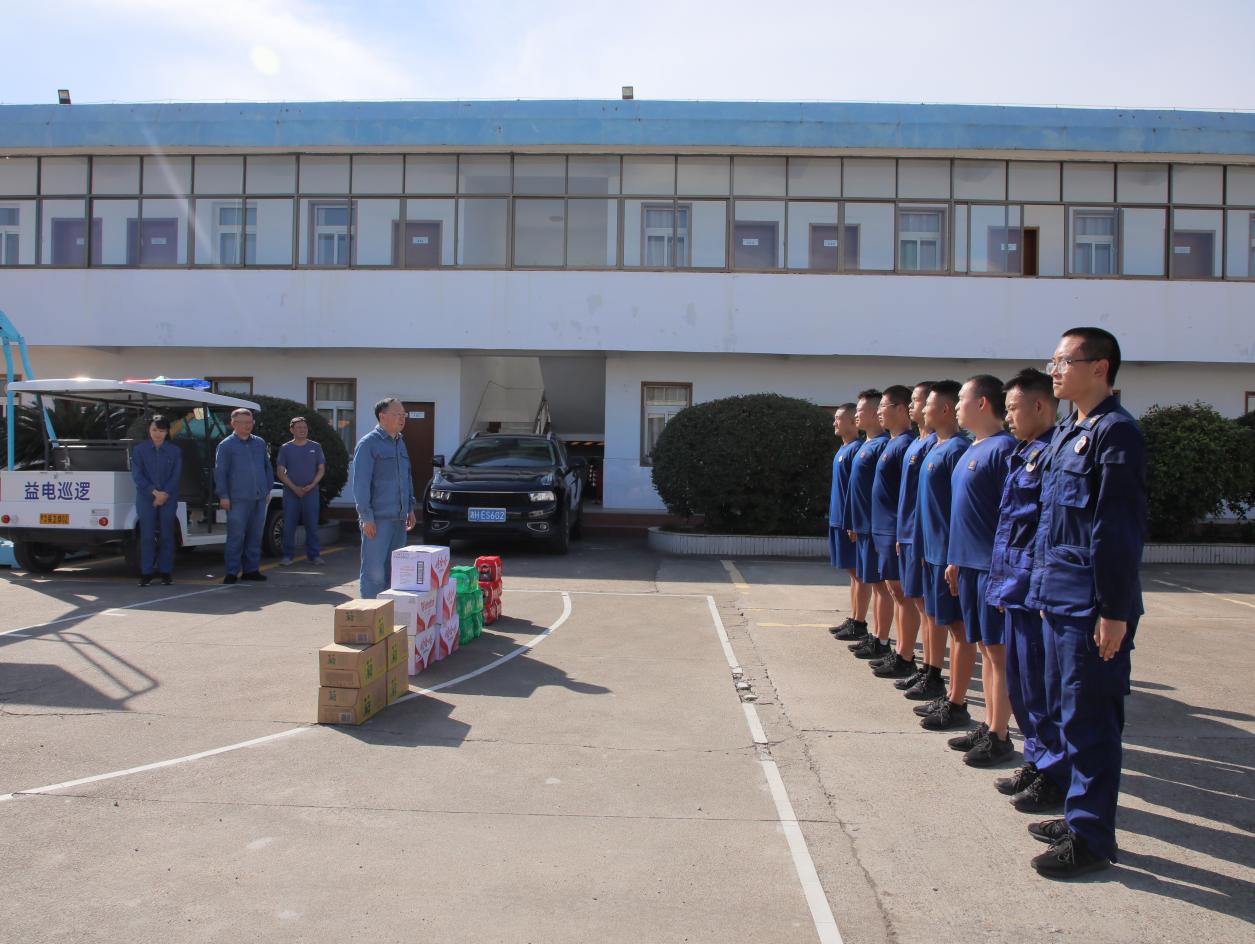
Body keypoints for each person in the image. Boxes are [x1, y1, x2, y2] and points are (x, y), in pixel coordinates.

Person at [1025, 327, 1146, 879]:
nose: (1054, 370)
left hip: (1092, 608)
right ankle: (1078, 815)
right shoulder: (1069, 431)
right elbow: (1051, 524)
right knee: (1064, 714)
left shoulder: (1116, 433)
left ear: (1099, 367)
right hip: (1058, 598)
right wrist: (1040, 591)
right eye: (1052, 361)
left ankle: (1092, 838)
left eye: (1063, 361)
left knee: (1091, 721)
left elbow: (1116, 530)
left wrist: (1114, 611)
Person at [986, 368, 1066, 813]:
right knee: (1022, 685)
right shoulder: (1024, 452)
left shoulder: (1055, 454)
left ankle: (1054, 775)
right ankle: (1036, 761)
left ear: (1039, 406)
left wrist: (1037, 591)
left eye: (1014, 408)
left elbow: (1049, 532)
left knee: (1042, 688)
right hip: (1014, 585)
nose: (1009, 417)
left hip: (1034, 591)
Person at [942, 375, 1016, 764]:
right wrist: (956, 559)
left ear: (983, 403)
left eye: (962, 398)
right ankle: (989, 725)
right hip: (968, 566)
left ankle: (1000, 735)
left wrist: (1005, 573)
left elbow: (1012, 517)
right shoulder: (974, 447)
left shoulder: (1004, 450)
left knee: (998, 652)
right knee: (987, 649)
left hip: (991, 569)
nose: (957, 405)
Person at [914, 381, 972, 729]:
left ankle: (956, 702)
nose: (922, 410)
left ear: (946, 409)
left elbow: (961, 510)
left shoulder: (957, 450)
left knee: (959, 628)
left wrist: (954, 555)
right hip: (932, 552)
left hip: (949, 555)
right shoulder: (935, 446)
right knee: (942, 621)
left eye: (928, 405)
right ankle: (943, 688)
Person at [894, 382, 944, 701]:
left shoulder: (936, 446)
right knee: (918, 602)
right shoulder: (920, 443)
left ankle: (932, 670)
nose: (915, 407)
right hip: (911, 534)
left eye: (918, 401)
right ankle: (924, 665)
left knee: (929, 607)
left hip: (923, 537)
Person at [868, 385, 919, 679]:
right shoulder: (893, 442)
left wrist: (900, 531)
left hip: (893, 529)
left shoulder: (905, 444)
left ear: (900, 409)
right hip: (883, 529)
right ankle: (898, 651)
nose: (878, 412)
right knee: (893, 591)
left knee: (902, 594)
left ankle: (905, 656)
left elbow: (907, 494)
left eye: (883, 407)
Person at [352, 396, 417, 599]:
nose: (402, 418)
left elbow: (406, 476)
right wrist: (366, 517)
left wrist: (410, 508)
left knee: (394, 573)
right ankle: (370, 612)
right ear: (382, 416)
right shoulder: (368, 444)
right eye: (397, 414)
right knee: (374, 574)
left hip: (399, 519)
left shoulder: (399, 442)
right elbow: (361, 484)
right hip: (378, 520)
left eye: (404, 415)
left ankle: (389, 613)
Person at [845, 390, 893, 661]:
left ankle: (881, 639)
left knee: (881, 586)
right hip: (863, 526)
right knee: (873, 583)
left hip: (874, 528)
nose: (856, 415)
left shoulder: (882, 445)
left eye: (860, 411)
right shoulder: (867, 444)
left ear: (875, 414)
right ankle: (874, 634)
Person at [214, 407, 273, 585]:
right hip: (237, 499)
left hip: (259, 498)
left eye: (250, 422)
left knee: (255, 535)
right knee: (236, 536)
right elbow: (220, 472)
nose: (248, 426)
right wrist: (223, 495)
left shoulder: (259, 443)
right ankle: (232, 572)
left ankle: (251, 570)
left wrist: (267, 489)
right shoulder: (226, 445)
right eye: (244, 423)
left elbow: (267, 466)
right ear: (233, 423)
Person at [828, 403, 868, 641]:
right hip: (838, 520)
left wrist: (853, 521)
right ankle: (854, 618)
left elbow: (857, 491)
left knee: (859, 572)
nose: (834, 422)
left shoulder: (856, 449)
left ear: (853, 421)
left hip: (849, 522)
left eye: (838, 418)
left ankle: (860, 622)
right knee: (852, 573)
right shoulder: (843, 449)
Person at [131, 413, 182, 587]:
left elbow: (176, 475)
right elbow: (137, 475)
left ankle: (165, 572)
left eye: (161, 431)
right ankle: (146, 573)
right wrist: (154, 492)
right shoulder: (139, 450)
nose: (157, 434)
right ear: (149, 430)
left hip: (169, 497)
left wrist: (164, 493)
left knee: (167, 534)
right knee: (147, 535)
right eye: (154, 430)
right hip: (146, 498)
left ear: (167, 432)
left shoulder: (175, 451)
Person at [276, 417, 326, 567]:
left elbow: (321, 469)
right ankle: (287, 556)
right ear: (292, 430)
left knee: (312, 525)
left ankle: (314, 556)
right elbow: (280, 472)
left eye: (304, 427)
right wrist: (294, 488)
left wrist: (312, 485)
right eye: (299, 428)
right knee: (289, 525)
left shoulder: (316, 447)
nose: (302, 430)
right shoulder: (285, 448)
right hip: (291, 493)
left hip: (311, 492)